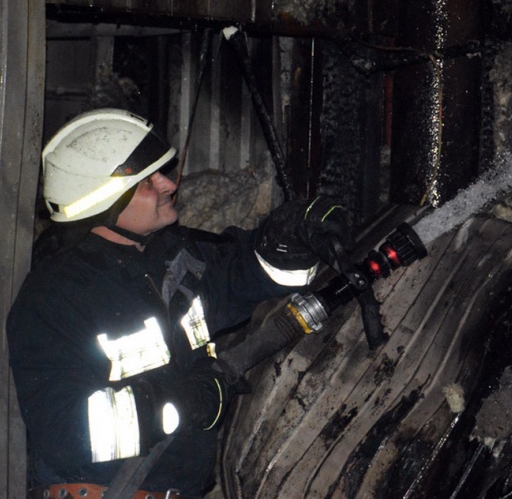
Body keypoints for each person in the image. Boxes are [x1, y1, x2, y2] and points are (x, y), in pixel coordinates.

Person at [6, 109, 353, 498]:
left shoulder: (178, 259)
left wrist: (291, 236)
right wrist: (181, 403)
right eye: (148, 181)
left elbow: (250, 272)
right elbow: (67, 432)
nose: (169, 184)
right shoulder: (55, 296)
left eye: (163, 172)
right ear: (103, 198)